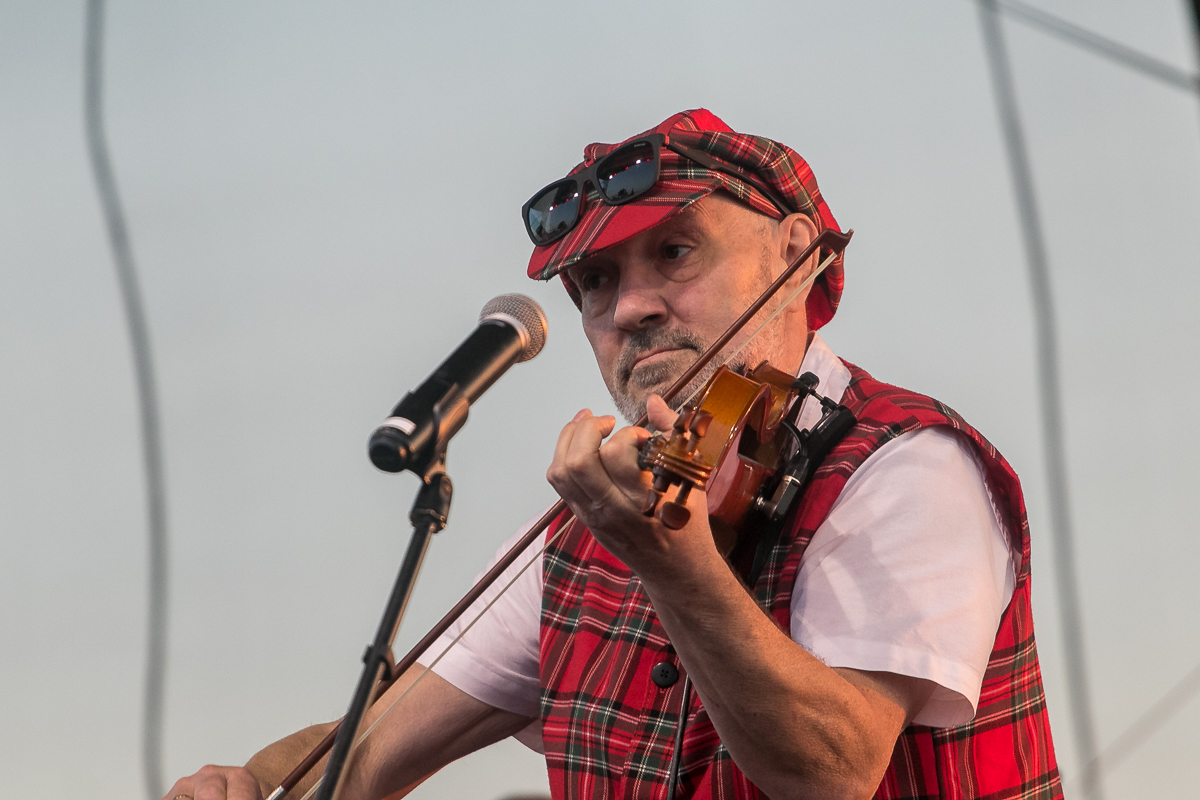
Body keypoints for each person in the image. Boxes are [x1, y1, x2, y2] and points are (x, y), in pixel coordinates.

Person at [167, 109, 1061, 800]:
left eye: (675, 252)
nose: (630, 308)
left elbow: (831, 772)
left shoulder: (907, 465)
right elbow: (369, 749)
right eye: (596, 282)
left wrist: (673, 564)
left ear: (793, 258)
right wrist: (252, 782)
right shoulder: (594, 522)